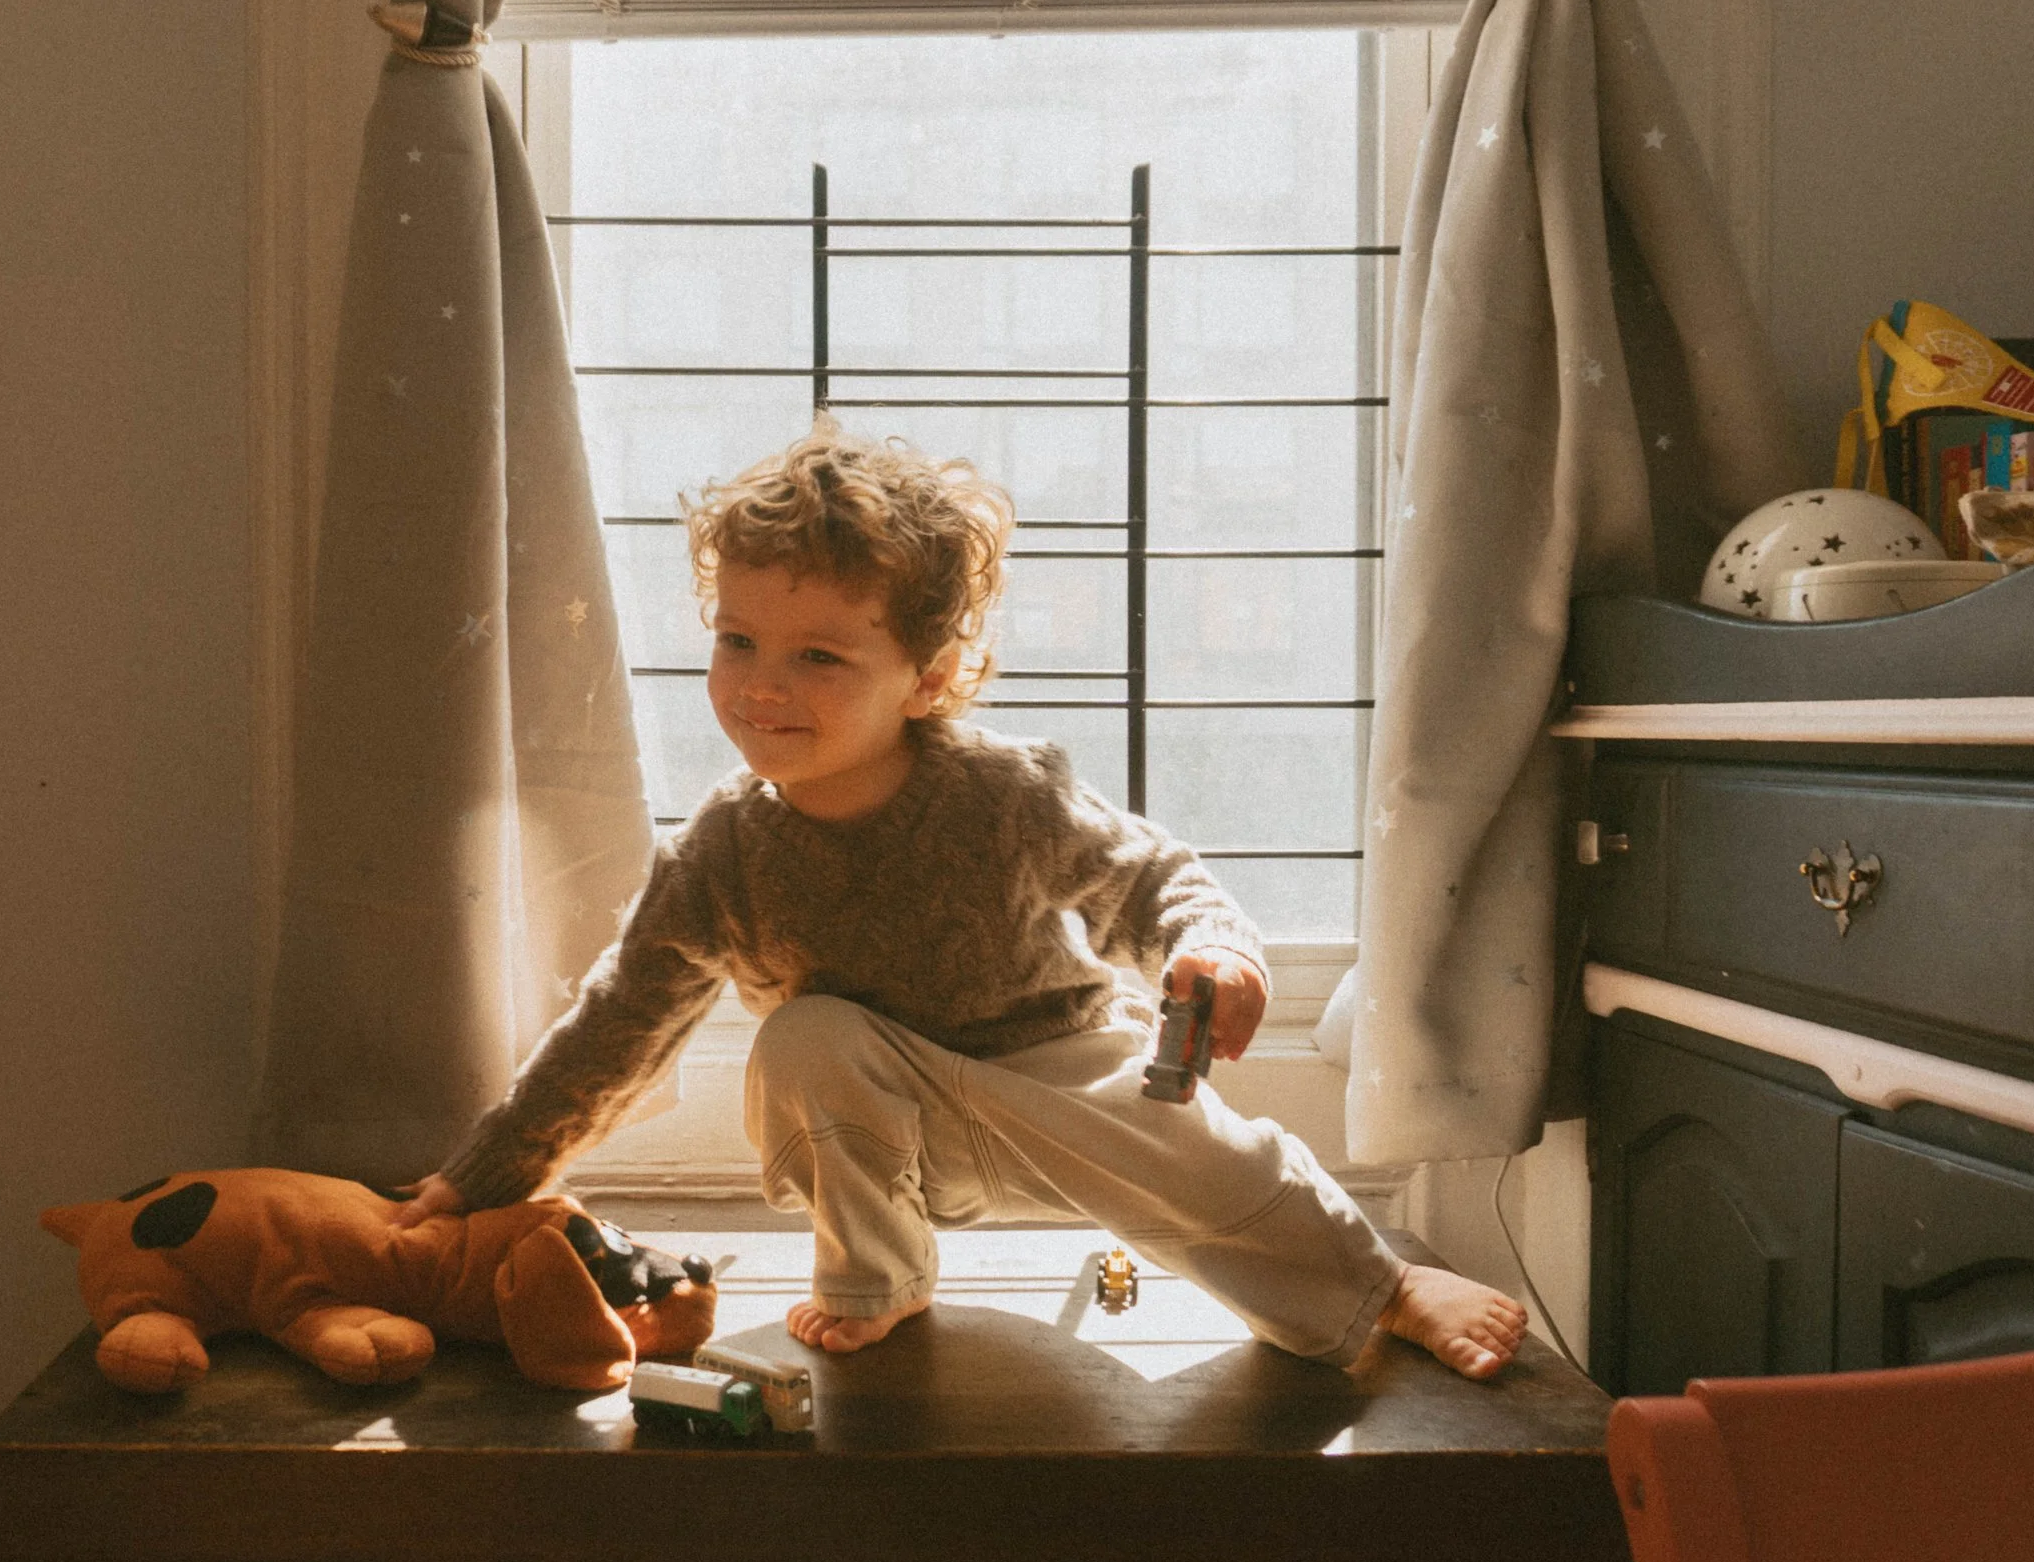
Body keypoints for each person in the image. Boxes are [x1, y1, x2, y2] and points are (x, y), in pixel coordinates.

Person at [395, 423, 1527, 1379]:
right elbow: (618, 1026)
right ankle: (878, 1275)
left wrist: (1214, 948)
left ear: (927, 677)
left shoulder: (999, 792)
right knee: (804, 1038)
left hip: (1059, 1077)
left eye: (819, 657)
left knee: (1210, 1159)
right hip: (888, 1134)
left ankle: (1380, 1282)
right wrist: (480, 1177)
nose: (761, 685)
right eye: (736, 641)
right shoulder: (724, 851)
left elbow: (1150, 878)